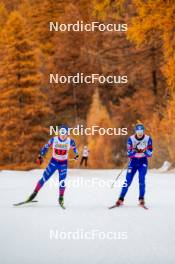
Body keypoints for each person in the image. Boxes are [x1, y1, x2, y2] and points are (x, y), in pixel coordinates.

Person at [26, 125, 79, 209]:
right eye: (61, 134)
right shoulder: (53, 140)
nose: (62, 136)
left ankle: (61, 198)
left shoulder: (70, 141)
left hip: (63, 164)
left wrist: (77, 154)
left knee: (62, 181)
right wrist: (40, 155)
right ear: (58, 133)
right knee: (44, 178)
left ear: (67, 134)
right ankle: (34, 194)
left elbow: (75, 148)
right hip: (53, 162)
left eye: (64, 135)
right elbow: (46, 147)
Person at [116, 124, 153, 207]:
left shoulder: (148, 139)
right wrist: (135, 150)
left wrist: (144, 150)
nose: (140, 133)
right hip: (133, 162)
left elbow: (150, 153)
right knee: (127, 180)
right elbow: (129, 153)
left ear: (143, 131)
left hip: (143, 162)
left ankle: (141, 198)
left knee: (142, 179)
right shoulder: (131, 139)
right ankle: (121, 199)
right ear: (136, 131)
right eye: (138, 131)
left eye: (141, 131)